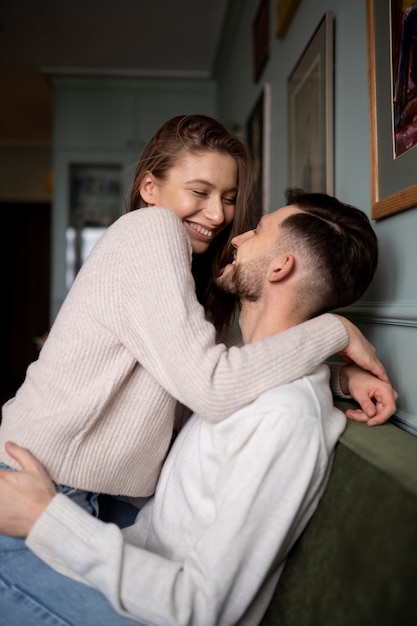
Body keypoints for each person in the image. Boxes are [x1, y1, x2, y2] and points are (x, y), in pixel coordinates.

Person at [0, 190, 396, 626]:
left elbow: (201, 607)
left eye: (259, 230)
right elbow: (156, 531)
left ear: (282, 267)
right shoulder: (240, 378)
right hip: (128, 582)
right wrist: (338, 372)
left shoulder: (284, 419)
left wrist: (46, 519)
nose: (238, 236)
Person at [0, 115, 392, 510]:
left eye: (228, 197)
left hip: (86, 491)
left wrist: (340, 378)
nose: (219, 215)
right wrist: (337, 329)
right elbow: (214, 386)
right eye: (199, 191)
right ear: (150, 188)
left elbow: (245, 367)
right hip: (35, 481)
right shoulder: (149, 229)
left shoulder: (190, 272)